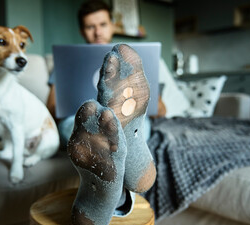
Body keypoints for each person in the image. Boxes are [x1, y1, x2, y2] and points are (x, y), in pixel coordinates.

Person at [46, 0, 165, 147]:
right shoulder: (67, 60)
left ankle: (105, 149)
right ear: (82, 31)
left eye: (103, 25)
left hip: (124, 120)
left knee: (141, 126)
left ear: (112, 25)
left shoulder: (134, 57)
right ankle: (111, 149)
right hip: (82, 122)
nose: (97, 32)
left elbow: (160, 109)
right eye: (90, 27)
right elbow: (52, 107)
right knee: (68, 126)